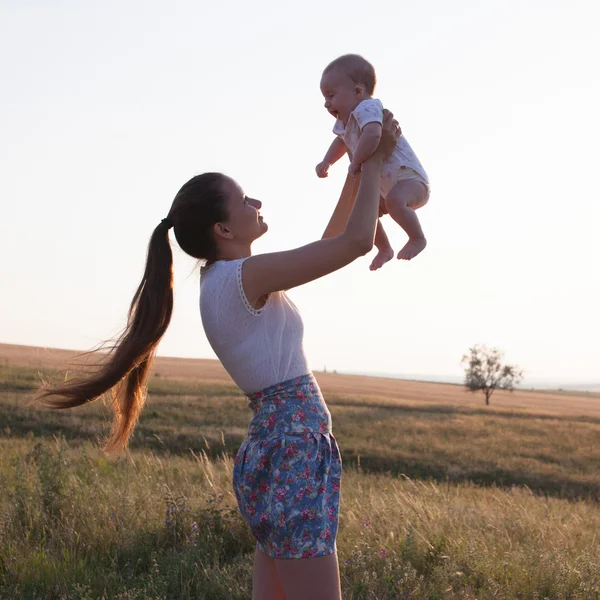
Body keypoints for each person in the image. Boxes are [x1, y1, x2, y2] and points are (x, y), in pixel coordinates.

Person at [37, 112, 401, 600]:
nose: (257, 202)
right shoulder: (241, 281)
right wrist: (376, 158)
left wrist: (357, 171)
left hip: (278, 447)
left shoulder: (228, 280)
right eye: (244, 198)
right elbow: (355, 244)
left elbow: (330, 245)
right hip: (292, 449)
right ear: (223, 228)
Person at [316, 54, 430, 268]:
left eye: (331, 96)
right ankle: (384, 248)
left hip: (409, 179)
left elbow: (374, 135)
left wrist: (356, 162)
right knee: (362, 213)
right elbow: (340, 142)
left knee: (395, 201)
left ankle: (417, 238)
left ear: (358, 92)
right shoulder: (345, 122)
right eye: (324, 98)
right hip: (386, 186)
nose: (326, 104)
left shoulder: (366, 108)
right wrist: (327, 162)